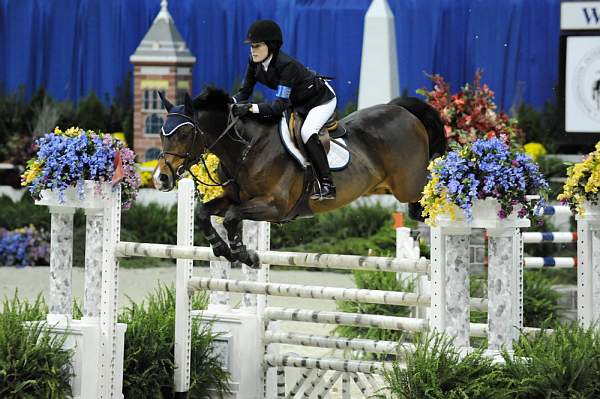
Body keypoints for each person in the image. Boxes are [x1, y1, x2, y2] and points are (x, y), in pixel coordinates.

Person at [232, 19, 337, 201]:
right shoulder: (254, 62)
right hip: (296, 102)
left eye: (257, 46)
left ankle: (327, 184)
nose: (252, 50)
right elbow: (244, 92)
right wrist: (229, 104)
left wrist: (251, 107)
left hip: (319, 101)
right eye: (251, 47)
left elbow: (278, 106)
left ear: (271, 46)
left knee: (307, 132)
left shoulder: (286, 65)